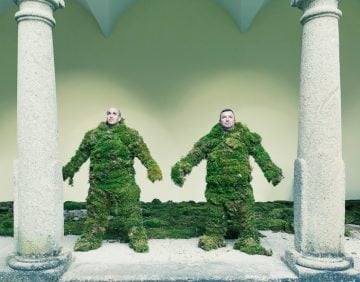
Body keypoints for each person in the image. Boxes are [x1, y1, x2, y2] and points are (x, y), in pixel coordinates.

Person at [171, 109, 283, 255]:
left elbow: (261, 156)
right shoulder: (210, 139)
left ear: (235, 120)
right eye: (224, 117)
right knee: (215, 216)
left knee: (245, 217)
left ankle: (248, 238)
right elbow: (194, 155)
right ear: (220, 121)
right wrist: (181, 169)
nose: (227, 119)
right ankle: (214, 236)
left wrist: (273, 173)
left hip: (240, 189)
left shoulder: (246, 137)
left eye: (230, 117)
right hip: (216, 190)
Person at [63, 107, 162, 252]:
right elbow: (80, 156)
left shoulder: (129, 135)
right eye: (108, 113)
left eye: (114, 113)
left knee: (131, 213)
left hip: (124, 183)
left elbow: (144, 154)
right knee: (96, 215)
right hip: (99, 186)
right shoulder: (93, 135)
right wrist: (68, 170)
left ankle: (137, 238)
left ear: (120, 118)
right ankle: (91, 239)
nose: (111, 116)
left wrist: (152, 167)